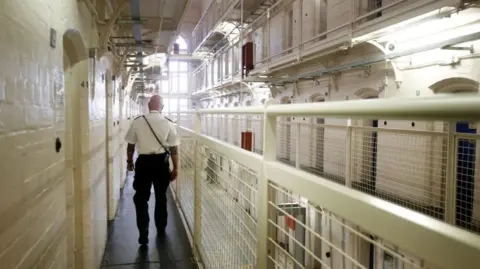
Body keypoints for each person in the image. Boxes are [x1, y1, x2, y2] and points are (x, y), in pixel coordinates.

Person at [124, 94, 180, 245]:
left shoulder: (138, 122)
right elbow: (174, 149)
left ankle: (143, 231)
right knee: (161, 197)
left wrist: (129, 161)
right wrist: (175, 168)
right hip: (161, 164)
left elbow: (130, 145)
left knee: (140, 198)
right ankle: (161, 229)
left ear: (148, 106)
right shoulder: (168, 123)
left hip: (143, 163)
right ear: (162, 107)